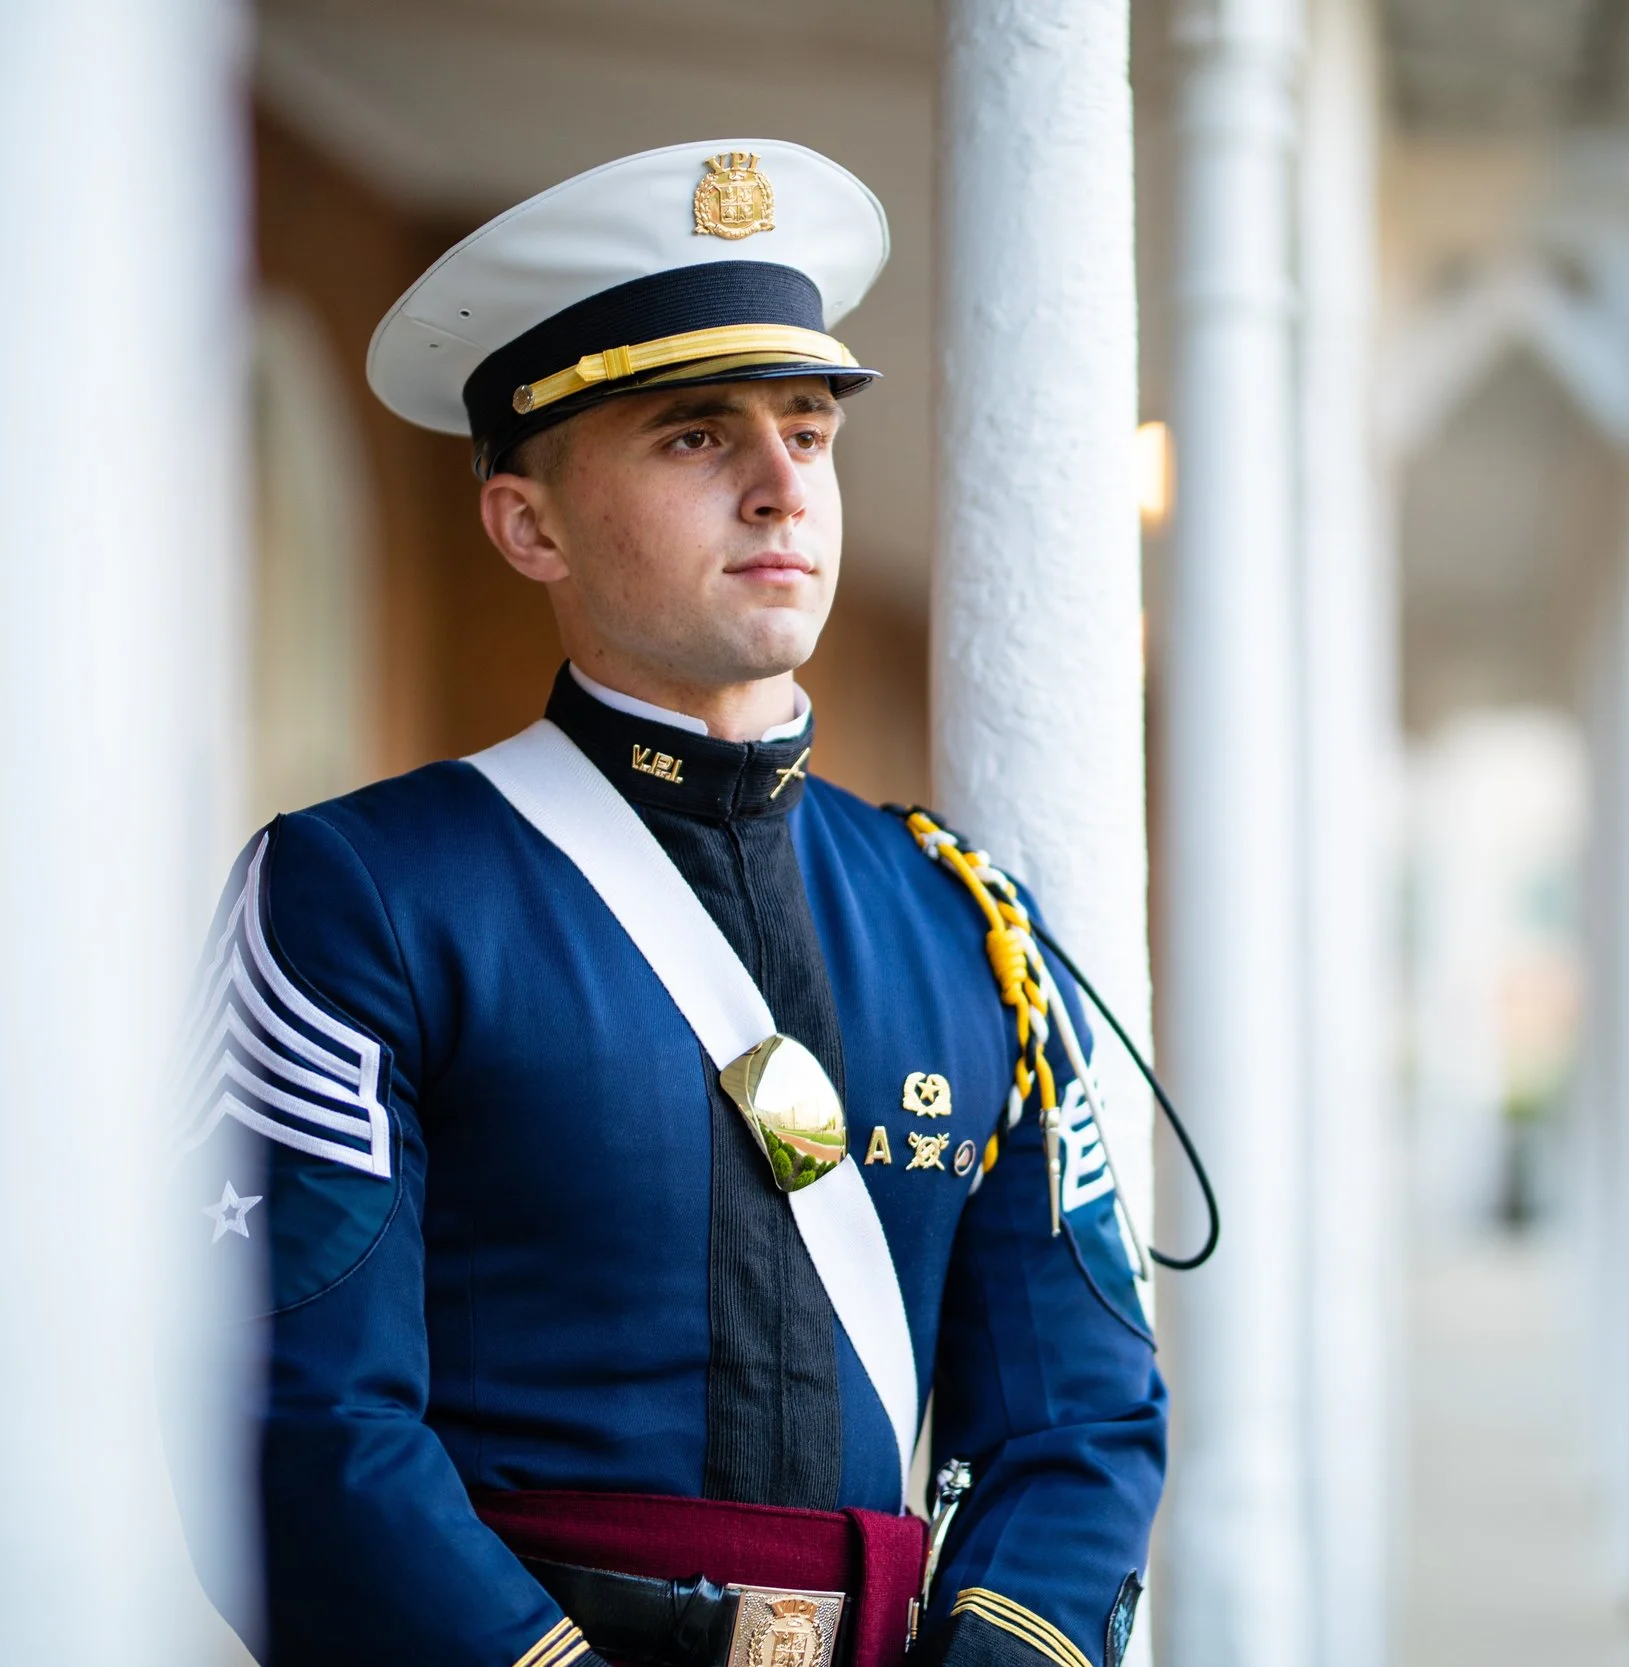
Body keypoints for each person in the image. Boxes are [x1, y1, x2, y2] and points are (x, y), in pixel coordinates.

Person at [172, 140, 1164, 1667]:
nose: (783, 486)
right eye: (699, 437)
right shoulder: (361, 892)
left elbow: (1082, 1415)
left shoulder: (969, 925)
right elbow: (296, 1414)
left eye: (811, 431)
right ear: (530, 526)